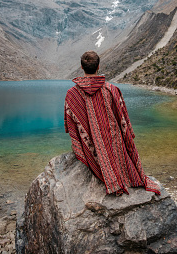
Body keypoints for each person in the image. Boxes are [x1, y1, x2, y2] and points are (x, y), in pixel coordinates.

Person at [64, 50, 160, 196]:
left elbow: (70, 124)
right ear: (98, 67)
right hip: (114, 144)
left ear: (82, 67)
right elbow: (123, 120)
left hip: (90, 147)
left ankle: (104, 172)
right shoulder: (112, 90)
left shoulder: (72, 94)